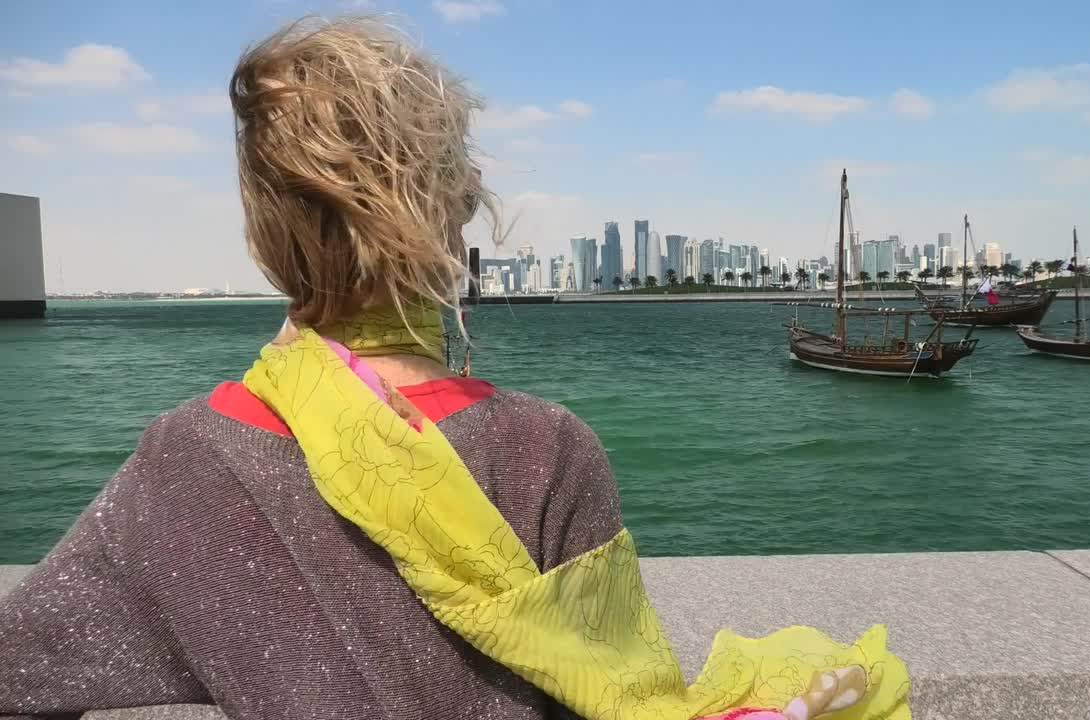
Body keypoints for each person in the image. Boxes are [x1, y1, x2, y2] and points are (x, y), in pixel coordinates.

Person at [1, 17, 909, 720]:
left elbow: (20, 673)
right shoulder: (546, 449)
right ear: (456, 212)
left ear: (266, 230)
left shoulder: (183, 459)